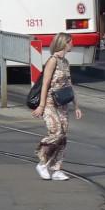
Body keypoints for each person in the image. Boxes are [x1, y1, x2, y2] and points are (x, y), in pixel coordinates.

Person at [32, 32, 80, 182]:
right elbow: (45, 83)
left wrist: (76, 106)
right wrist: (41, 105)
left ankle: (56, 169)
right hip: (49, 102)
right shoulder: (52, 61)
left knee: (63, 136)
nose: (73, 44)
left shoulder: (65, 62)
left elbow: (69, 85)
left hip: (62, 103)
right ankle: (42, 163)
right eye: (71, 42)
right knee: (56, 132)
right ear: (64, 43)